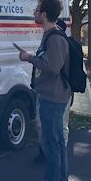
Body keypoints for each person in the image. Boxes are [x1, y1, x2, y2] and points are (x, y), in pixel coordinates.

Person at [19, 0, 70, 181]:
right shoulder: (50, 35)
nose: (34, 12)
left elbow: (54, 67)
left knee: (52, 145)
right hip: (52, 96)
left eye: (37, 9)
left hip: (53, 98)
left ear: (45, 14)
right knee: (56, 144)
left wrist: (30, 58)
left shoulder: (55, 38)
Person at [32, 17, 71, 164]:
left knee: (60, 127)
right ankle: (45, 151)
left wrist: (31, 59)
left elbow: (53, 68)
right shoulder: (48, 41)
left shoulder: (58, 42)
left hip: (59, 92)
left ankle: (58, 158)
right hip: (46, 91)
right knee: (41, 124)